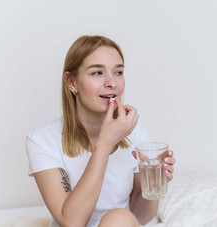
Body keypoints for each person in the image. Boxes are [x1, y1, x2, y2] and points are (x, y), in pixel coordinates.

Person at [26, 35, 175, 227]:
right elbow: (71, 222)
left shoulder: (136, 134)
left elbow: (139, 217)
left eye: (118, 72)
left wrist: (153, 184)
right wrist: (104, 145)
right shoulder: (42, 140)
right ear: (72, 82)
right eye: (97, 73)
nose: (112, 82)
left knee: (119, 218)